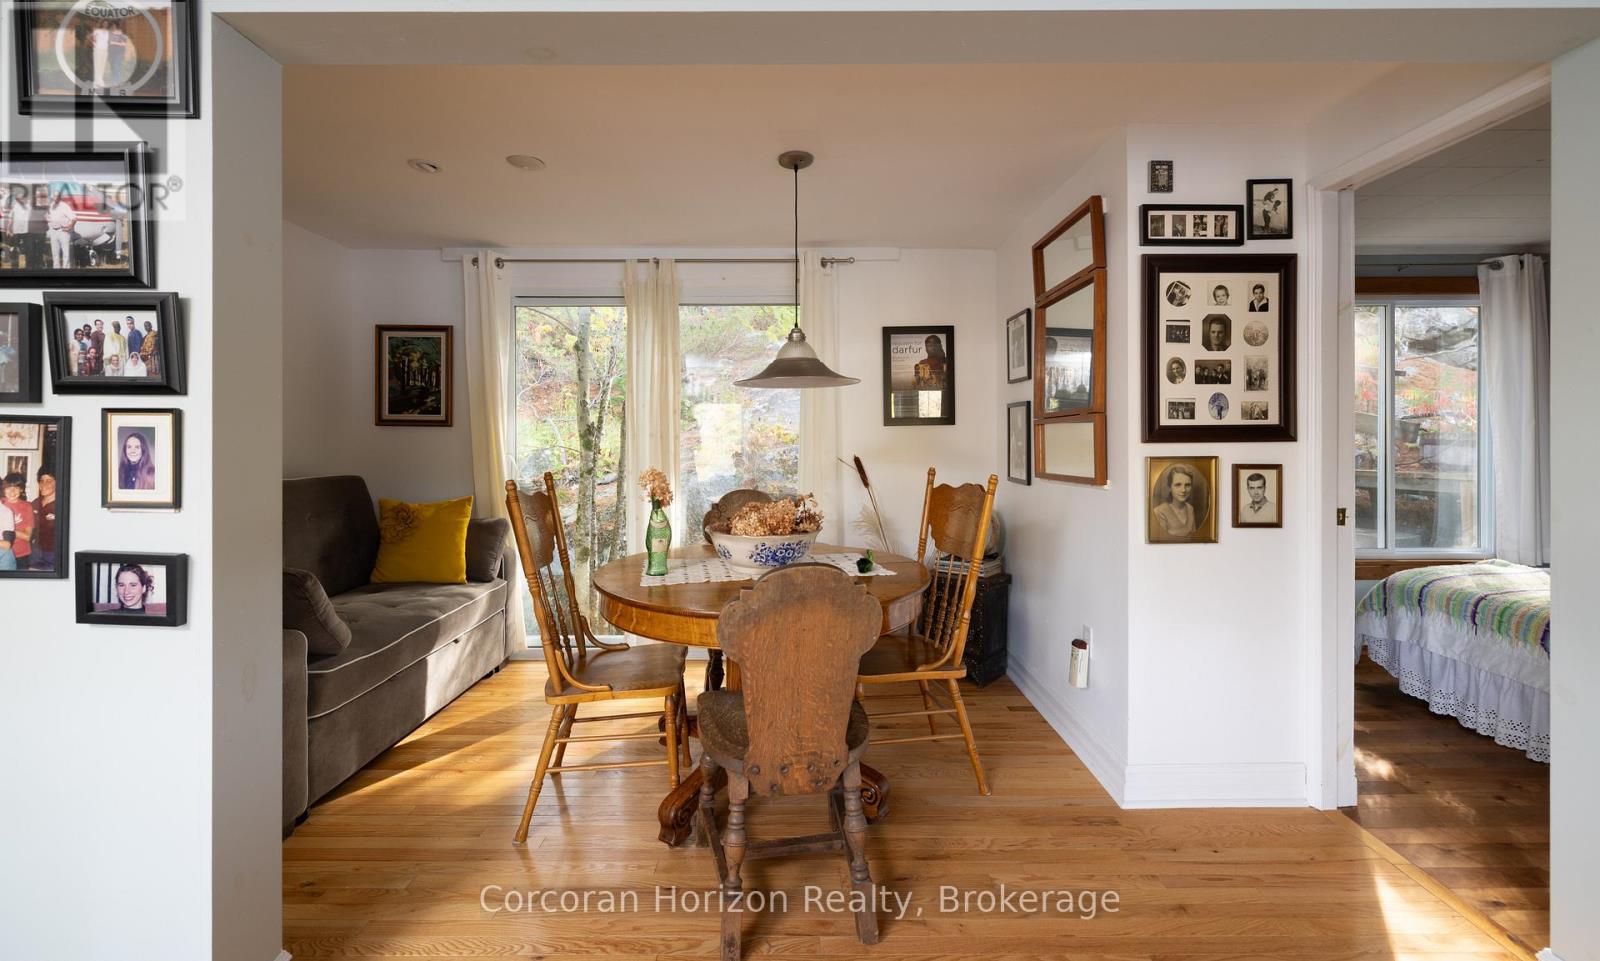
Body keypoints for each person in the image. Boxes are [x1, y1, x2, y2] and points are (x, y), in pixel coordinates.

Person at [1154, 465, 1198, 538]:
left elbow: (1194, 538)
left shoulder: (1190, 509)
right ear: (1169, 487)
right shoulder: (1159, 512)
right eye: (1178, 485)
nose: (1183, 490)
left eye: (1187, 485)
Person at [1, 473, 33, 571]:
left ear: (21, 489)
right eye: (8, 488)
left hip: (21, 554)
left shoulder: (27, 507)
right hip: (2, 552)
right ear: (3, 489)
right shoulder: (1, 503)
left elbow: (27, 536)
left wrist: (8, 529)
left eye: (16, 488)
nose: (12, 491)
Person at [31, 467, 56, 572]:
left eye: (49, 481)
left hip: (53, 554)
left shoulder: (61, 505)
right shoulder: (35, 503)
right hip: (35, 552)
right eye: (41, 481)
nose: (44, 484)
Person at [47, 190, 77, 271]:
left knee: (66, 253)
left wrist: (69, 227)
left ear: (60, 197)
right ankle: (56, 270)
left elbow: (74, 218)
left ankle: (66, 270)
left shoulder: (64, 206)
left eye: (57, 196)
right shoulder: (51, 206)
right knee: (55, 253)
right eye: (54, 196)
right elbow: (49, 217)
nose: (55, 198)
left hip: (63, 232)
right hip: (53, 231)